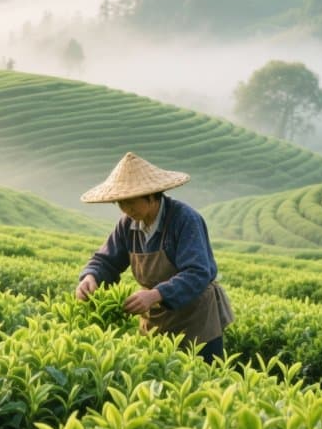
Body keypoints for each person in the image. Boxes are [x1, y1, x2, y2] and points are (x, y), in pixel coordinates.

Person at [75, 152, 233, 363]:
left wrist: (156, 295)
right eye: (121, 204)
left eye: (131, 202)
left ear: (151, 196)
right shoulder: (127, 224)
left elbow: (198, 273)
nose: (126, 210)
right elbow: (106, 260)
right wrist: (91, 276)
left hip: (196, 321)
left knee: (203, 376)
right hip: (156, 320)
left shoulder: (184, 219)